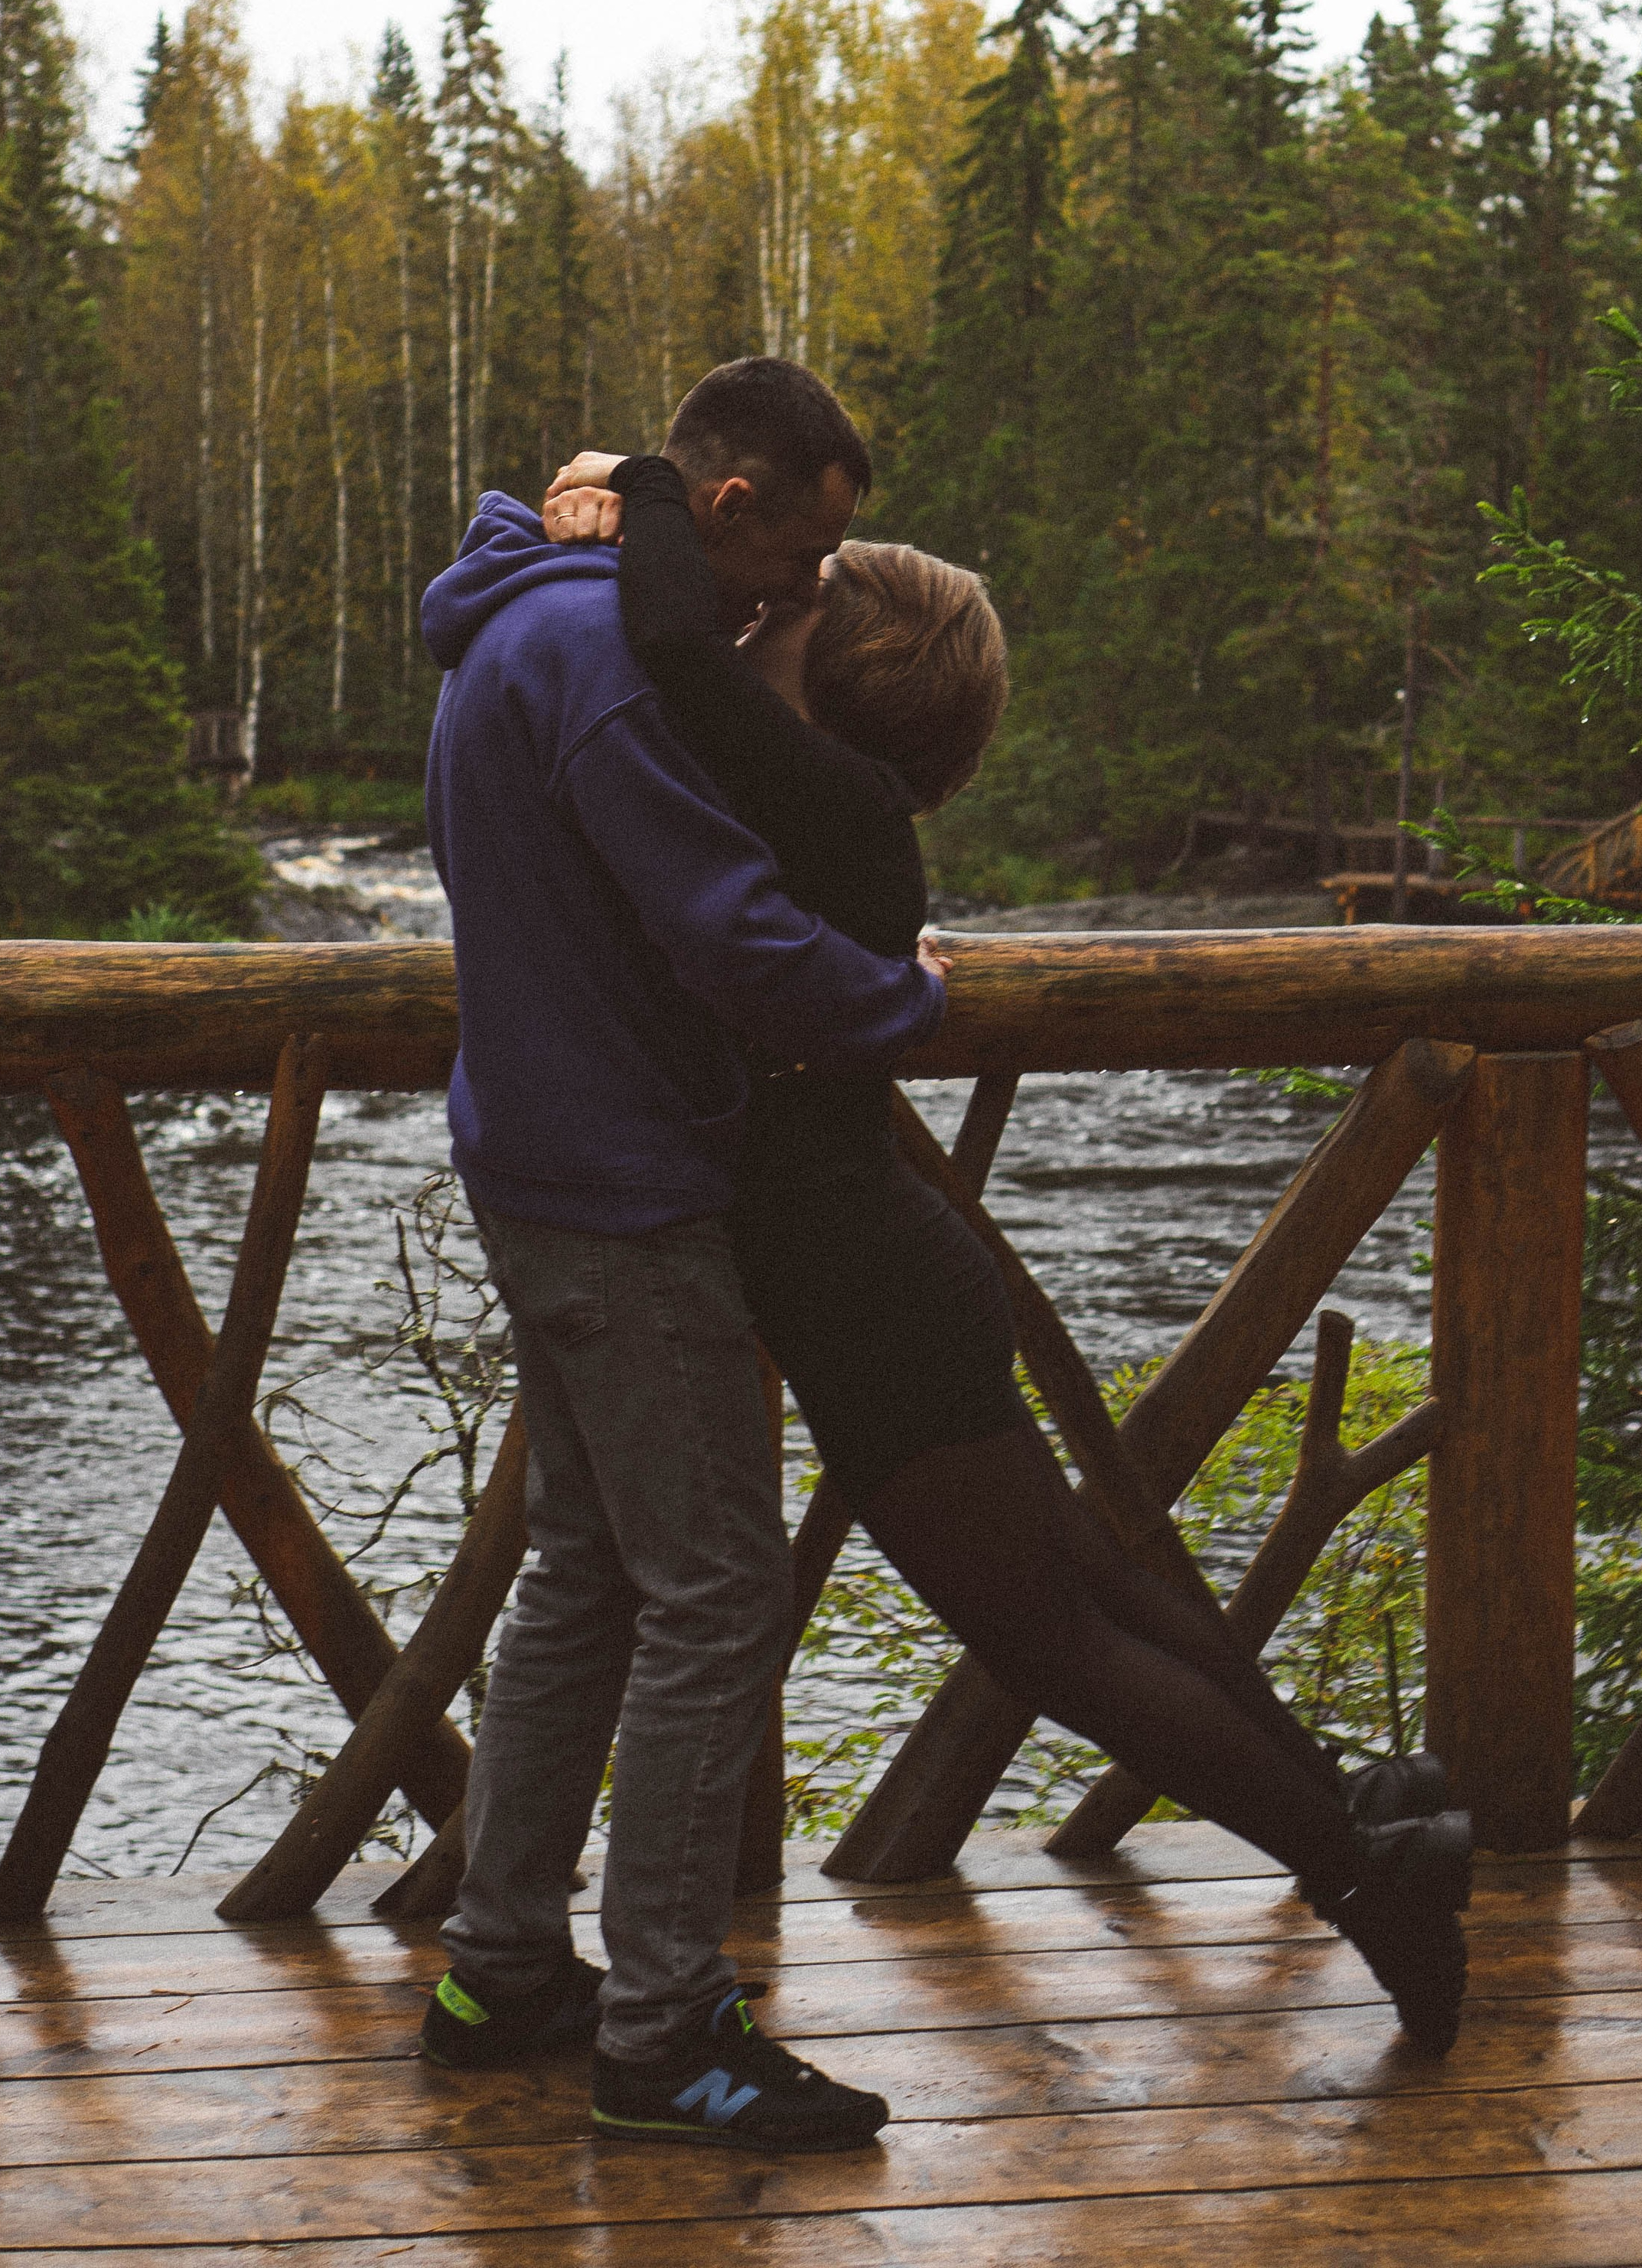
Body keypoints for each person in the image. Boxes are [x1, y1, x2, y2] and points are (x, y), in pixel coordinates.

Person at [534, 443, 1475, 2060]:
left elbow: (674, 648)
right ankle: (1362, 1816)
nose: (760, 616)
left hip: (861, 1289)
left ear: (828, 682)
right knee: (1083, 1593)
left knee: (1051, 1640)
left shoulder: (787, 788)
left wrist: (644, 484)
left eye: (798, 617)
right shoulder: (832, 811)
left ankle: (1358, 1875)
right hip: (884, 1268)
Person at [415, 359, 952, 2153]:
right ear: (728, 507)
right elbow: (730, 931)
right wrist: (903, 1001)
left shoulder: (529, 606)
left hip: (534, 1156)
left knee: (588, 1567)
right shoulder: (609, 670)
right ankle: (660, 2034)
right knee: (718, 1588)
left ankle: (502, 1963)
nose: (799, 603)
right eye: (797, 564)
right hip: (625, 1193)